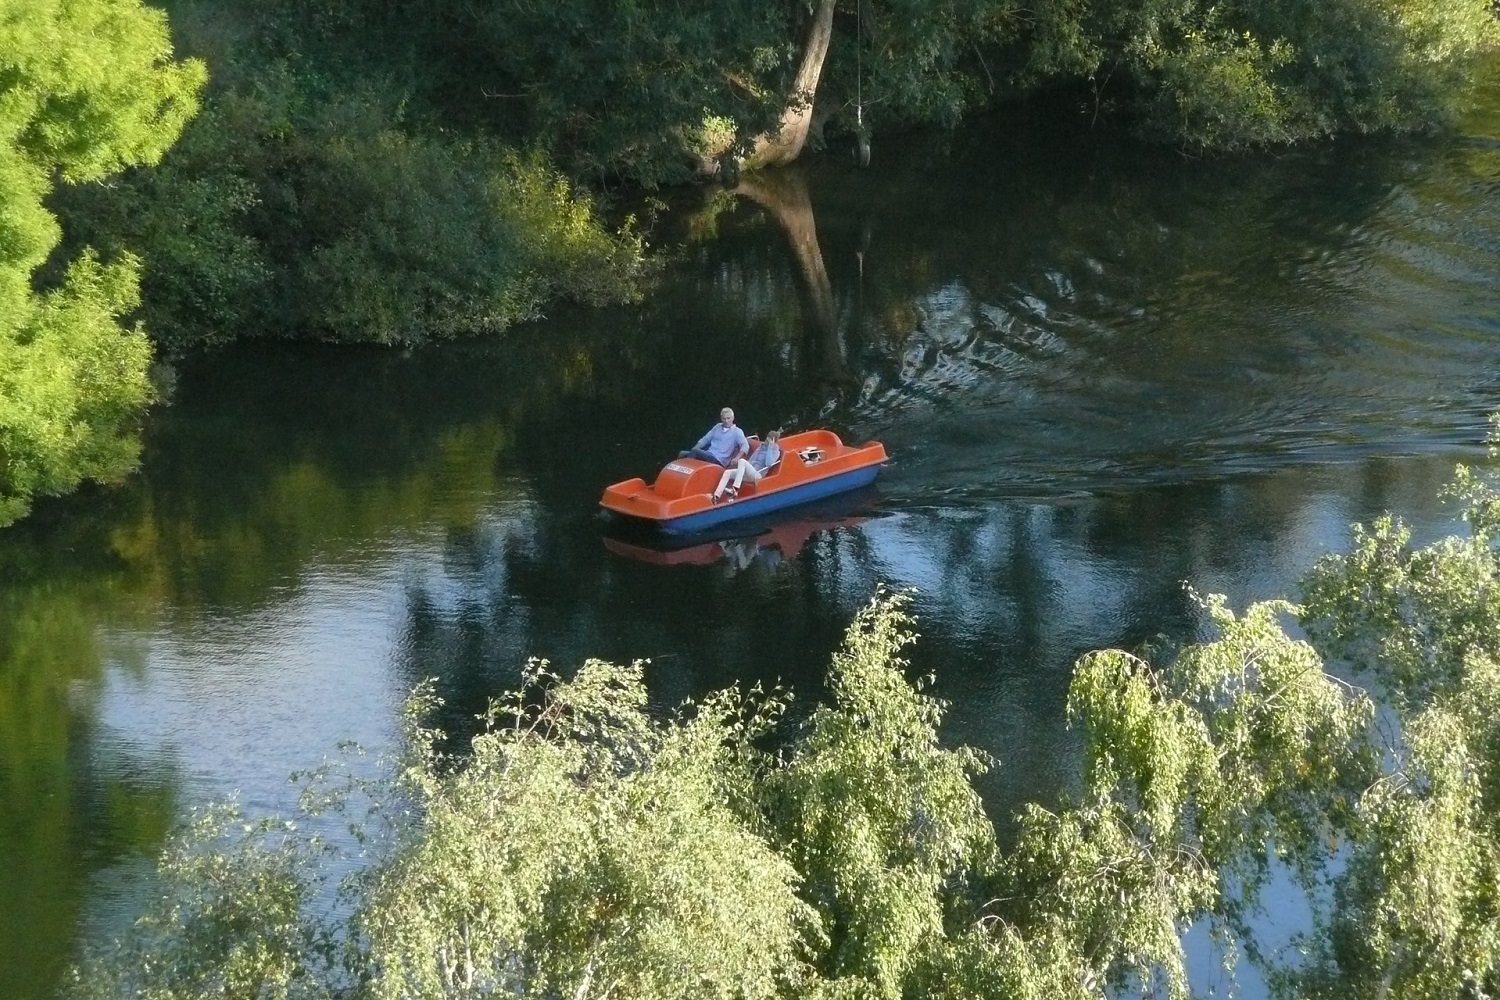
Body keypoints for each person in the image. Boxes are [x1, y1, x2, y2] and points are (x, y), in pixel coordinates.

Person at [712, 429, 781, 503]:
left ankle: (735, 488)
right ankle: (716, 496)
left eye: (769, 441)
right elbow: (752, 459)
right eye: (767, 439)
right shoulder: (761, 447)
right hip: (750, 471)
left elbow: (769, 464)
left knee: (742, 461)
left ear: (774, 441)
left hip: (758, 474)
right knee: (727, 472)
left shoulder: (776, 451)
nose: (767, 442)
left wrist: (770, 447)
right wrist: (743, 470)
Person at [679, 407, 749, 467]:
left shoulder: (737, 431)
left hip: (719, 459)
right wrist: (694, 448)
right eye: (724, 419)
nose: (726, 421)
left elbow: (745, 445)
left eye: (728, 418)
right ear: (721, 418)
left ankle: (689, 473)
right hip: (709, 454)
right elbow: (705, 439)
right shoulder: (717, 427)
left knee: (695, 452)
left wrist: (737, 458)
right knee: (682, 453)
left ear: (733, 418)